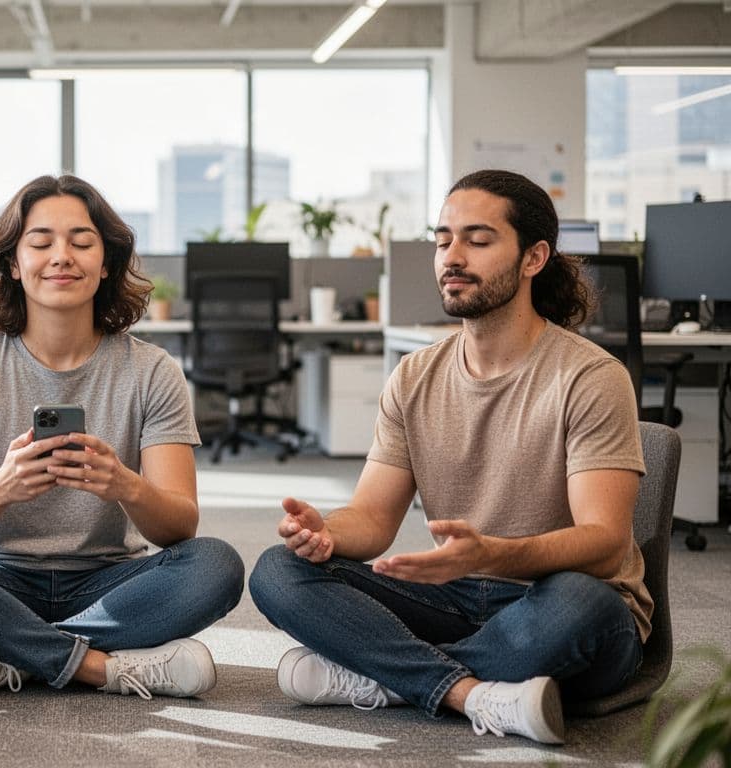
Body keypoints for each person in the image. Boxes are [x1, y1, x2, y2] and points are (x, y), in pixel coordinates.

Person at [248, 169, 648, 745]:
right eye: (442, 241)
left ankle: (390, 674)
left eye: (477, 240)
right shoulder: (414, 375)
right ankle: (471, 691)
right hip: (457, 596)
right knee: (278, 570)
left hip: (555, 597)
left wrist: (494, 554)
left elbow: (605, 542)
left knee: (583, 606)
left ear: (534, 258)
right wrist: (327, 533)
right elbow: (373, 519)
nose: (451, 257)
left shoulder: (590, 376)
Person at [0, 174, 244, 700]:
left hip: (111, 580)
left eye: (82, 242)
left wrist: (125, 485)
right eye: (41, 242)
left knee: (216, 565)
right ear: (13, 262)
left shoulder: (152, 371)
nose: (62, 257)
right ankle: (98, 667)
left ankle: (4, 654)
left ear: (106, 262)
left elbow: (180, 527)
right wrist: (1, 486)